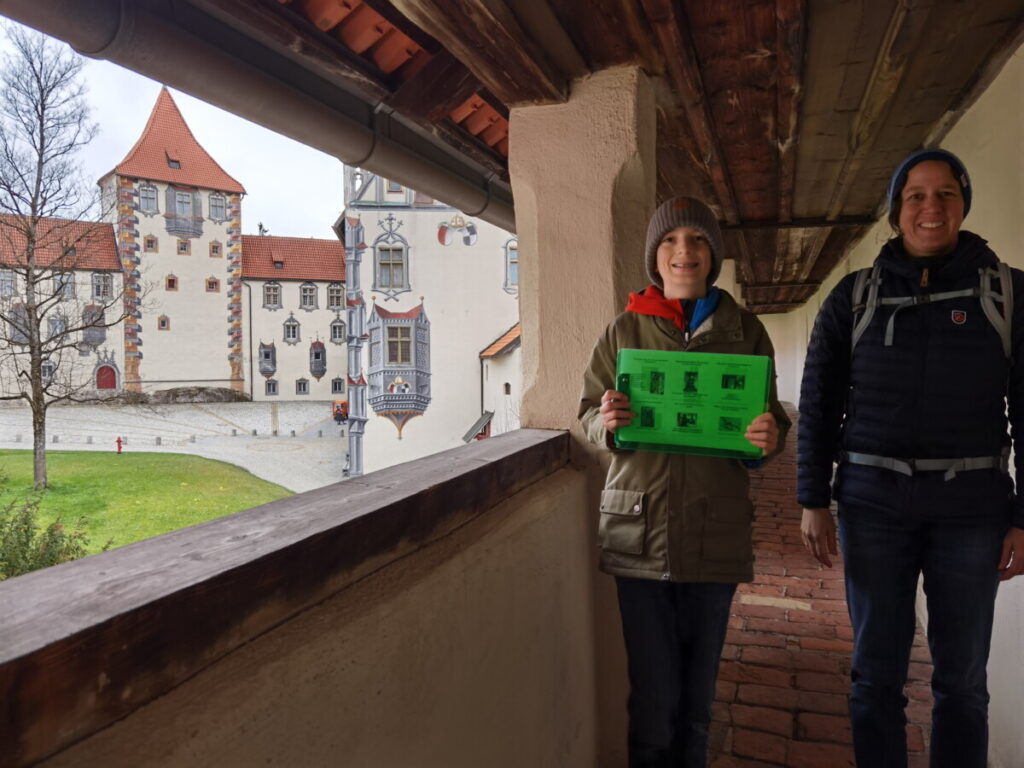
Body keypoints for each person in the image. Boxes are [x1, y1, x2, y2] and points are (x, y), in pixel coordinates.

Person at [797, 148, 1024, 768]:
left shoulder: (1006, 293)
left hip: (971, 514)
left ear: (963, 205)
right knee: (875, 677)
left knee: (962, 684)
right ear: (897, 212)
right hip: (872, 509)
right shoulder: (853, 296)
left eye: (945, 193)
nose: (931, 207)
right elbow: (817, 402)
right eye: (915, 196)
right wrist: (813, 498)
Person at [578, 196, 790, 767]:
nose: (684, 251)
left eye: (697, 240)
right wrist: (609, 424)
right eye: (671, 241)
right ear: (655, 256)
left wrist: (769, 439)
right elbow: (585, 414)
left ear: (713, 254)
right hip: (637, 535)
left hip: (713, 533)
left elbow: (769, 419)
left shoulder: (745, 330)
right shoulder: (623, 329)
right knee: (652, 697)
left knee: (698, 701)